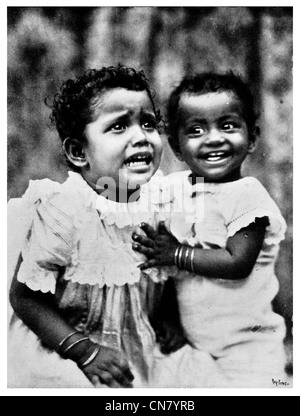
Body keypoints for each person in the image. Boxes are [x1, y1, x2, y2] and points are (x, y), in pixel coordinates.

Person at [8, 65, 178, 388]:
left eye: (148, 123)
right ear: (78, 152)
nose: (141, 136)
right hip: (65, 340)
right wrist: (84, 352)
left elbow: (162, 272)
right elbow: (24, 298)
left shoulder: (163, 201)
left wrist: (168, 317)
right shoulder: (65, 212)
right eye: (118, 126)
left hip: (133, 343)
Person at [132, 72, 289, 388]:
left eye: (228, 126)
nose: (214, 138)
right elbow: (166, 271)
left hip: (249, 349)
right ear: (177, 147)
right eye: (197, 130)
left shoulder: (246, 194)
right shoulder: (175, 191)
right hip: (197, 344)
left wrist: (176, 253)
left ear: (253, 138)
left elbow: (237, 263)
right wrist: (167, 318)